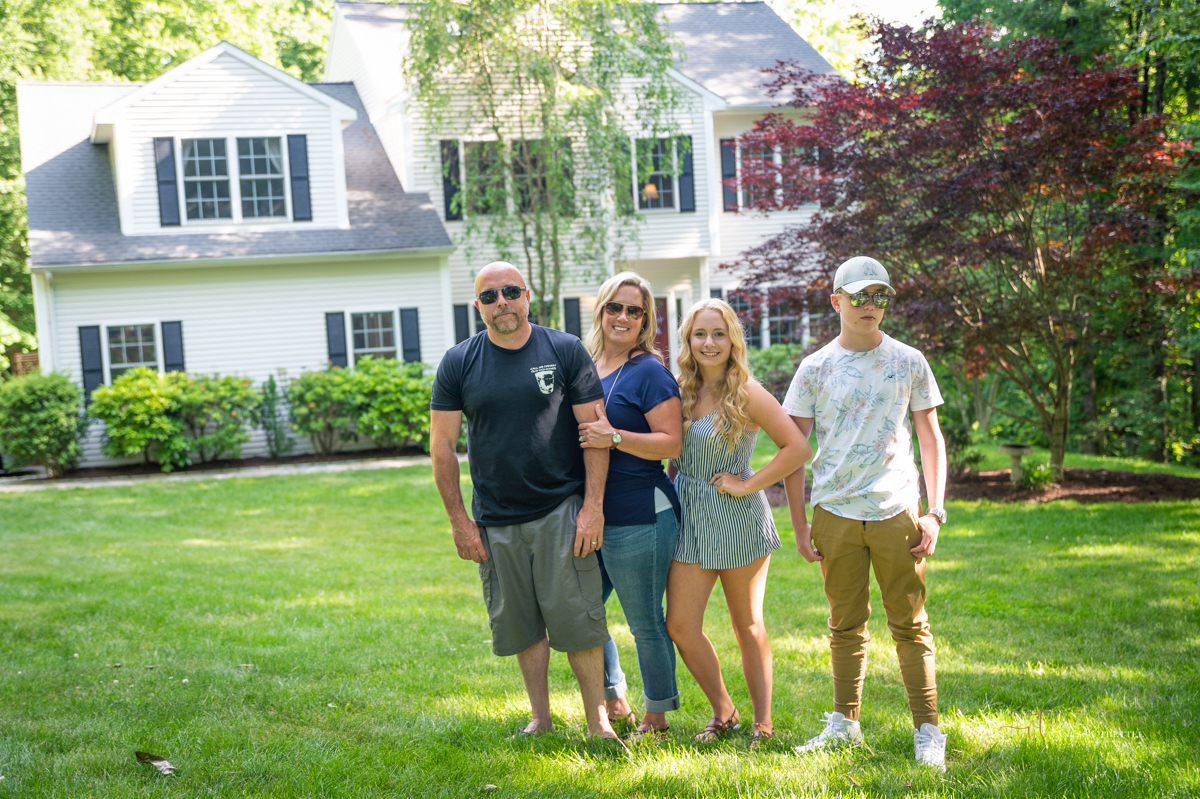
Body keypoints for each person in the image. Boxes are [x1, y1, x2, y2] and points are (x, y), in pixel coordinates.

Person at [429, 261, 618, 739]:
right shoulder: (459, 362)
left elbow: (594, 433)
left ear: (527, 295)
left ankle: (598, 722)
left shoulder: (564, 349)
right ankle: (542, 717)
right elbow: (442, 446)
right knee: (521, 624)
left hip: (561, 509)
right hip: (495, 518)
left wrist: (592, 506)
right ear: (478, 307)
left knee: (579, 620)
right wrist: (459, 521)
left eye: (510, 292)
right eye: (489, 297)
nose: (502, 303)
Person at [784, 256, 949, 770]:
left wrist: (935, 513)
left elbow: (930, 438)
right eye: (859, 296)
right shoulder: (814, 368)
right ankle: (844, 725)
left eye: (880, 296)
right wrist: (799, 524)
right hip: (833, 512)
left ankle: (928, 731)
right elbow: (794, 451)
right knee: (844, 625)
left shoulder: (909, 361)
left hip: (896, 511)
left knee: (910, 625)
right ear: (836, 301)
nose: (870, 306)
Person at [665, 299, 811, 748]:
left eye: (718, 334)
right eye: (700, 334)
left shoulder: (746, 391)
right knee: (680, 626)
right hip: (689, 517)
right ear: (688, 341)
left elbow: (796, 448)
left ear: (733, 340)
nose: (709, 343)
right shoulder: (679, 389)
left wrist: (749, 486)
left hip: (738, 519)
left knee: (747, 624)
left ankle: (763, 724)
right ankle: (723, 711)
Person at [576, 271, 683, 739]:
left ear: (646, 320)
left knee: (644, 620)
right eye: (614, 307)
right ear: (600, 310)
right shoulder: (584, 364)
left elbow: (671, 443)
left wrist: (615, 437)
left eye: (633, 310)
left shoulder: (649, 372)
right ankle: (614, 694)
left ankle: (656, 716)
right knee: (580, 609)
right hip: (590, 512)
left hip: (642, 511)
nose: (622, 317)